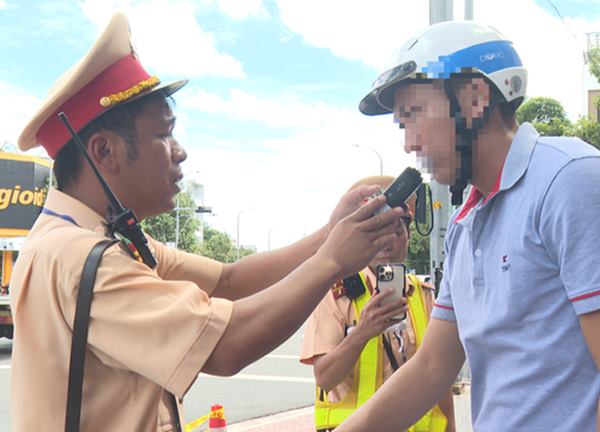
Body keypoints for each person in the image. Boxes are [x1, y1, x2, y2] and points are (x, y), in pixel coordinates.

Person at [9, 13, 407, 431]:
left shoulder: (101, 239)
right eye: (164, 135)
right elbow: (227, 345)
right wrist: (332, 260)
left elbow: (230, 280)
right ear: (104, 151)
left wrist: (332, 231)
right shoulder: (81, 260)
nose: (179, 152)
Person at [336, 20, 600, 431]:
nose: (408, 142)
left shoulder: (568, 180)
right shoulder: (464, 225)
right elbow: (432, 367)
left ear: (474, 98)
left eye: (414, 114)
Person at [300, 175, 455, 432]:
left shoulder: (424, 296)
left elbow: (441, 380)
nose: (386, 242)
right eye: (376, 231)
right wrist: (362, 333)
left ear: (407, 235)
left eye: (395, 230)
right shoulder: (336, 294)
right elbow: (325, 378)